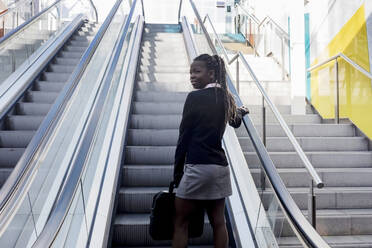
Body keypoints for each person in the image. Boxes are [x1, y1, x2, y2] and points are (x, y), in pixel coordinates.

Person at [172, 54, 249, 248]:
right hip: (219, 168)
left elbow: (184, 137)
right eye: (190, 72)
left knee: (181, 222)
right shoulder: (225, 97)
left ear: (212, 73)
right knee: (219, 222)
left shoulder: (194, 97)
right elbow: (235, 122)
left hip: (197, 166)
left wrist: (177, 172)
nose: (192, 76)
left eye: (197, 71)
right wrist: (241, 111)